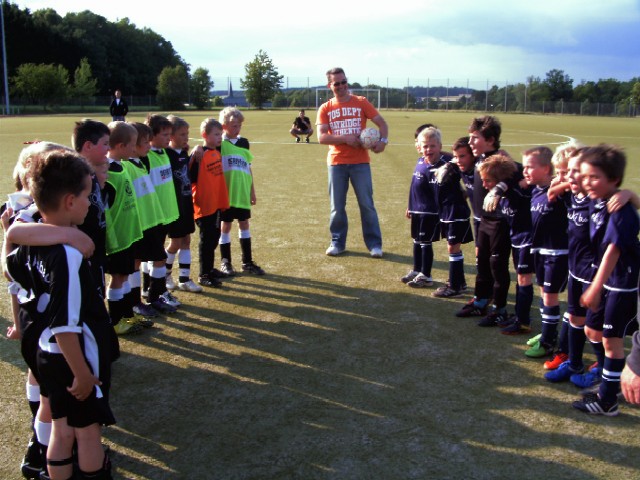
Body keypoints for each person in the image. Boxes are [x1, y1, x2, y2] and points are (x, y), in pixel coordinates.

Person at [5, 149, 116, 480]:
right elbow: (65, 324)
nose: (90, 204)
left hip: (46, 354)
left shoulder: (32, 237)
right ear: (69, 201)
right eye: (87, 196)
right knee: (88, 433)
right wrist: (82, 373)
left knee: (61, 429)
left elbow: (11, 271)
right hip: (72, 354)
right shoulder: (67, 255)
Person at [572, 144, 640, 416]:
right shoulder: (597, 200)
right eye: (584, 176)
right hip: (606, 279)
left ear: (614, 179)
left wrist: (595, 287)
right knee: (592, 331)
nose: (587, 182)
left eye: (594, 177)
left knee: (612, 342)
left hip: (621, 284)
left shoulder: (621, 210)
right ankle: (610, 380)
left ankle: (607, 400)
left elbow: (613, 250)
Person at [317, 67, 388, 258]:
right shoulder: (326, 108)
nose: (341, 86)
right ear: (330, 85)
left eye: (343, 82)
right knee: (337, 207)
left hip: (360, 162)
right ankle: (337, 243)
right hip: (336, 163)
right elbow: (321, 137)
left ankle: (374, 244)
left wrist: (383, 141)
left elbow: (382, 123)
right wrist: (345, 138)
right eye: (336, 83)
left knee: (366, 204)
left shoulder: (361, 102)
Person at [456, 116, 514, 328]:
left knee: (497, 266)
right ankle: (480, 301)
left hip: (499, 221)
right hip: (483, 220)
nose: (470, 142)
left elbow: (517, 172)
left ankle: (500, 309)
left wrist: (500, 188)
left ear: (490, 140)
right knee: (482, 263)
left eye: (475, 138)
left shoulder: (499, 159)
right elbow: (456, 158)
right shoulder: (479, 157)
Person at [477, 154, 534, 336]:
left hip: (527, 240)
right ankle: (519, 317)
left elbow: (518, 169)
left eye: (488, 181)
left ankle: (523, 321)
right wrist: (500, 188)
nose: (484, 185)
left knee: (524, 279)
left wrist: (501, 186)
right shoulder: (506, 191)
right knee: (521, 278)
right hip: (517, 239)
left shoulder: (520, 190)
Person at [104, 121, 146, 335]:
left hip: (129, 233)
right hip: (117, 237)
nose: (134, 148)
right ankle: (116, 320)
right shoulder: (106, 172)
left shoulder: (122, 165)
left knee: (126, 275)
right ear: (120, 146)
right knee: (118, 278)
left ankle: (128, 315)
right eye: (132, 144)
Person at [217, 106, 265, 276]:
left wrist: (252, 191)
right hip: (227, 194)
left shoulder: (244, 142)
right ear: (224, 126)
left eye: (239, 126)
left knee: (244, 223)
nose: (237, 129)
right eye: (234, 126)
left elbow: (248, 167)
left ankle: (247, 262)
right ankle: (226, 262)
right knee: (225, 225)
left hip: (242, 191)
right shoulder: (219, 144)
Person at [144, 114, 182, 312]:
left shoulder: (164, 153)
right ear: (151, 136)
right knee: (157, 257)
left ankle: (154, 291)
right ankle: (155, 294)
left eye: (170, 134)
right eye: (165, 135)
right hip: (154, 216)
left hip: (167, 214)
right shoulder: (146, 158)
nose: (169, 138)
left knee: (156, 256)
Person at [190, 118, 230, 287]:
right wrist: (196, 148)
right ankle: (204, 274)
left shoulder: (216, 152)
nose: (220, 137)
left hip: (216, 203)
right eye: (216, 134)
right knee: (206, 240)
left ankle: (210, 268)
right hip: (204, 205)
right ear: (205, 135)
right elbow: (190, 178)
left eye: (221, 134)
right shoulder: (199, 155)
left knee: (214, 237)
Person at [164, 115, 201, 293]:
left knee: (186, 240)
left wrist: (195, 150)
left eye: (187, 133)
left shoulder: (183, 153)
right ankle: (165, 274)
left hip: (186, 203)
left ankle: (184, 279)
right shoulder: (166, 155)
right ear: (171, 136)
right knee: (175, 242)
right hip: (174, 206)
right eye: (182, 134)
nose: (186, 137)